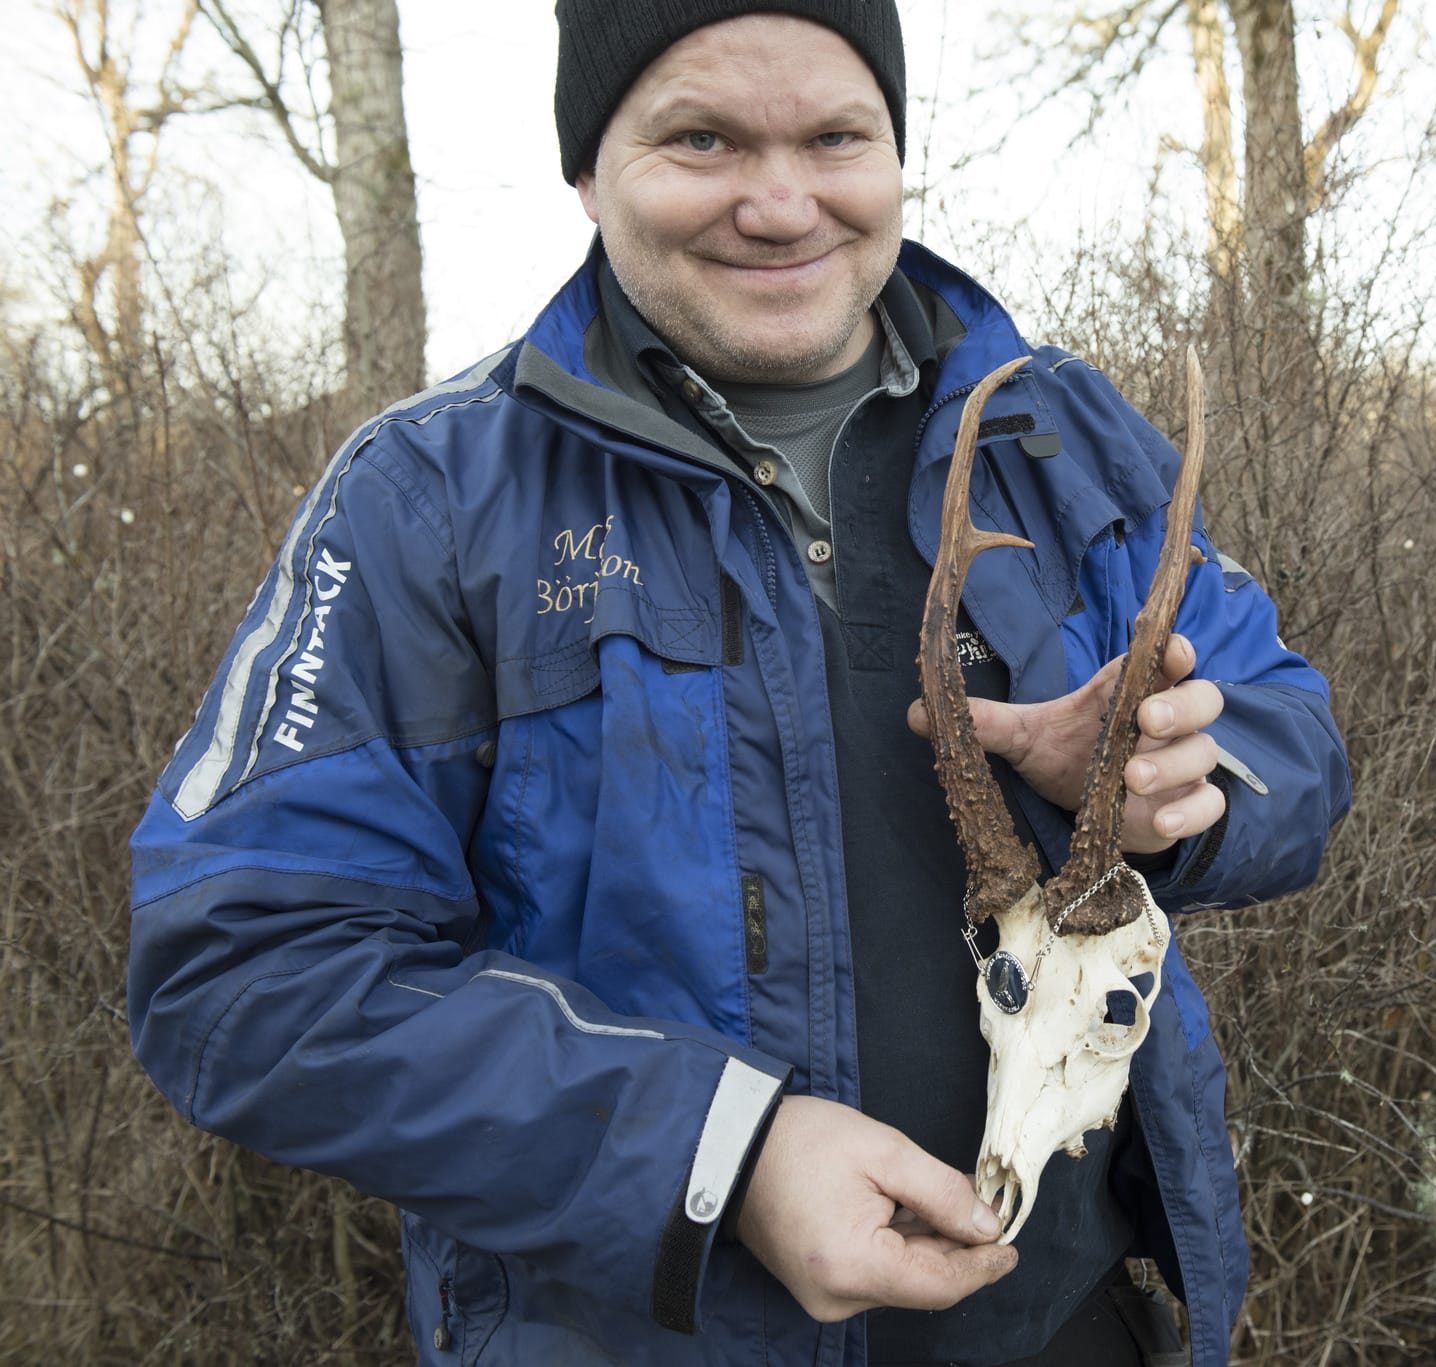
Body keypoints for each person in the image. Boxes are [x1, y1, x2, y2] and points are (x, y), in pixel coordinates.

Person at [126, 2, 1352, 1363]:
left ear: (896, 153)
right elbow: (242, 971)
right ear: (588, 171)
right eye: (700, 138)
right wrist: (725, 1156)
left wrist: (1177, 790)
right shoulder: (428, 501)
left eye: (837, 136)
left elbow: (1287, 728)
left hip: (1078, 1321)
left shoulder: (1055, 434)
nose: (781, 204)